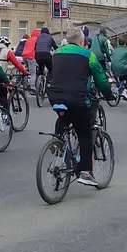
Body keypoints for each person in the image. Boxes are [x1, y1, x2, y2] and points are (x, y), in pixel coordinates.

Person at [47, 33, 113, 187]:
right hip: (76, 97)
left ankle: (57, 141)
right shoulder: (88, 55)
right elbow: (100, 78)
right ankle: (85, 172)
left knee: (65, 116)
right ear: (82, 41)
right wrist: (108, 95)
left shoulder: (57, 53)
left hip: (54, 96)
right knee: (85, 132)